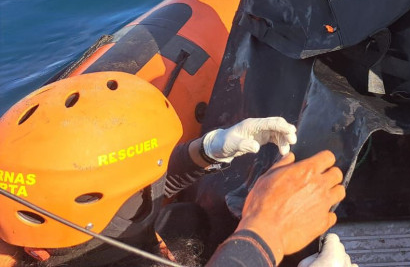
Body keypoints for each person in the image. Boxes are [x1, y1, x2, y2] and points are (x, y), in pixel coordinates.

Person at [0, 72, 352, 267]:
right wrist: (264, 236)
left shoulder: (38, 217)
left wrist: (208, 150)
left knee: (186, 219)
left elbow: (126, 197)